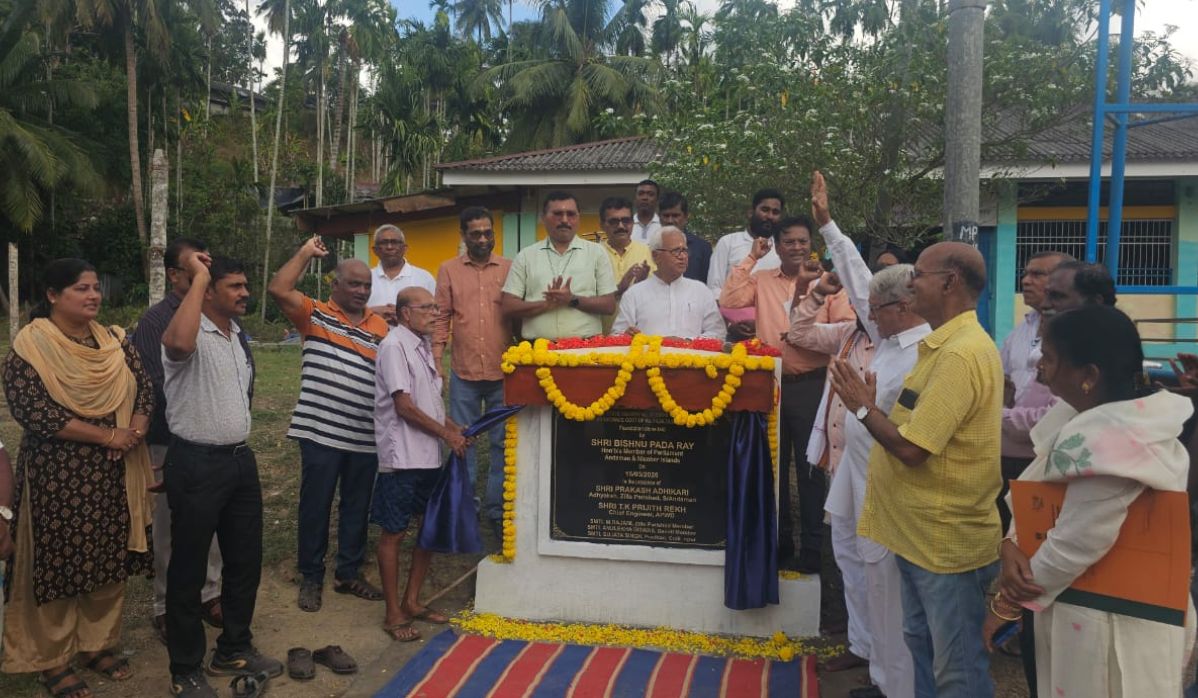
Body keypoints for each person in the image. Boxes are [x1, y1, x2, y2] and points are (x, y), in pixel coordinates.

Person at [985, 305, 1196, 697]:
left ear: (1088, 376)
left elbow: (1075, 543)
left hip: (1111, 620)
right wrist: (1011, 542)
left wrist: (1008, 601)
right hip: (1082, 604)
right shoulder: (1095, 417)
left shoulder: (1114, 442)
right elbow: (1036, 489)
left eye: (1048, 358)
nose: (1039, 369)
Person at [832, 241, 1004, 698]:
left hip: (944, 543)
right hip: (915, 534)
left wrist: (864, 410)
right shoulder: (939, 345)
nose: (911, 285)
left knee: (958, 670)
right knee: (922, 651)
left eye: (919, 276)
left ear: (949, 282)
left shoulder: (959, 354)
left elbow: (912, 450)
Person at [790, 171, 930, 698]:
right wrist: (827, 225)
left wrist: (864, 408)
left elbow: (855, 277)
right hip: (852, 465)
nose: (864, 312)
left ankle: (896, 680)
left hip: (889, 472)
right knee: (852, 560)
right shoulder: (883, 335)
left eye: (874, 307)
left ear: (901, 308)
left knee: (886, 580)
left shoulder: (922, 346)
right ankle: (872, 661)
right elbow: (853, 277)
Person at [1, 258, 153, 698]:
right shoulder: (31, 346)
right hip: (57, 476)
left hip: (114, 472)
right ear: (52, 295)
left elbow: (143, 390)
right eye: (80, 289)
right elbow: (35, 412)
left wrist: (131, 435)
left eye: (94, 288)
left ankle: (96, 644)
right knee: (55, 565)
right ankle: (50, 659)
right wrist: (108, 434)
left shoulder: (116, 342)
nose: (92, 296)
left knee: (108, 558)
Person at [162, 254, 282, 697]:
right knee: (189, 569)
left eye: (245, 285)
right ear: (208, 291)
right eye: (233, 286)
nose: (245, 292)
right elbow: (176, 345)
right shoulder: (188, 330)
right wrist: (198, 278)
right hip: (196, 462)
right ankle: (185, 669)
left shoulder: (235, 334)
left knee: (245, 559)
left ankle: (233, 646)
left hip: (238, 462)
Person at [721, 215, 855, 572]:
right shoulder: (763, 280)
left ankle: (812, 551)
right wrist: (752, 257)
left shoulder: (829, 283)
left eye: (802, 241)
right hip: (771, 385)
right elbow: (730, 298)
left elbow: (843, 330)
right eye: (789, 242)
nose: (797, 247)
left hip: (813, 384)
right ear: (777, 247)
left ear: (811, 244)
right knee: (774, 470)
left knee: (811, 471)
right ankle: (779, 544)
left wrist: (807, 332)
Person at [268, 236, 389, 612]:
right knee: (316, 505)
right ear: (334, 285)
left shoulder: (381, 327)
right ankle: (311, 576)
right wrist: (304, 252)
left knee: (357, 506)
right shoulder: (314, 314)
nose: (361, 290)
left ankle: (348, 573)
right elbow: (277, 288)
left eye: (366, 285)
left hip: (364, 435)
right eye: (353, 283)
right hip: (319, 431)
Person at [132, 238, 233, 644]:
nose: (206, 269)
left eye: (208, 261)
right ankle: (165, 604)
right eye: (196, 264)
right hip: (170, 441)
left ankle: (210, 593)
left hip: (213, 441)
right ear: (175, 274)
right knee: (169, 528)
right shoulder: (157, 320)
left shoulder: (217, 314)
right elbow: (157, 383)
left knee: (210, 521)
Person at [373, 287, 467, 643]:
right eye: (426, 307)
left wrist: (454, 428)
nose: (434, 312)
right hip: (403, 457)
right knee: (394, 533)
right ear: (404, 313)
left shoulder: (423, 346)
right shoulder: (394, 345)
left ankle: (412, 602)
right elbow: (405, 407)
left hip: (428, 456)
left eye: (435, 306)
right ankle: (393, 613)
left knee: (427, 529)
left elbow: (430, 404)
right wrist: (447, 435)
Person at [433, 207, 514, 541]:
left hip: (504, 373)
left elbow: (519, 315)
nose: (482, 239)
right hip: (464, 373)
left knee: (502, 446)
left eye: (487, 232)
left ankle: (496, 510)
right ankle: (465, 507)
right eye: (475, 233)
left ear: (494, 233)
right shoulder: (448, 270)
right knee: (462, 443)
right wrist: (437, 359)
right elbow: (441, 317)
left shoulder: (511, 268)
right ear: (464, 236)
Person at [999, 251, 1073, 532]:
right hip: (1010, 458)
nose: (1025, 280)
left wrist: (998, 418)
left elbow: (1058, 412)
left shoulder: (1075, 334)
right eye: (1026, 273)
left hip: (1049, 460)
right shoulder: (1020, 332)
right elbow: (1003, 382)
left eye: (1037, 274)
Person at [501, 191, 617, 340]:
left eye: (571, 214)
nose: (564, 220)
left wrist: (572, 300)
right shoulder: (526, 256)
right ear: (543, 218)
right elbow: (508, 306)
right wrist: (545, 305)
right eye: (557, 214)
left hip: (584, 350)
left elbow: (609, 305)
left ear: (578, 218)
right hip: (537, 351)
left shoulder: (596, 253)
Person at [613, 226, 723, 339]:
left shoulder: (701, 291)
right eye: (676, 251)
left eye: (685, 250)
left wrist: (688, 343)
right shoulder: (634, 294)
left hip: (692, 354)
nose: (683, 256)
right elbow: (617, 334)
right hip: (648, 354)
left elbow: (717, 332)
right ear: (656, 256)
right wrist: (627, 335)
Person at [599, 196, 654, 331]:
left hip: (640, 337)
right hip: (602, 339)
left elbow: (659, 296)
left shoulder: (649, 252)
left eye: (626, 221)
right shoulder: (593, 254)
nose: (621, 226)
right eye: (614, 222)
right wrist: (619, 289)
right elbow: (587, 298)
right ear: (602, 225)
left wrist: (640, 285)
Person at [366, 224, 436, 324]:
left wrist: (405, 315)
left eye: (394, 242)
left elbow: (436, 313)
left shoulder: (424, 278)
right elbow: (351, 313)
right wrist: (371, 313)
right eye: (384, 243)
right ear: (375, 250)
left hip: (415, 339)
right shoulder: (365, 278)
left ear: (404, 248)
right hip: (371, 338)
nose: (389, 247)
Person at [659, 191, 713, 284]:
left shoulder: (702, 248)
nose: (670, 220)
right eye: (666, 216)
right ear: (659, 217)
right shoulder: (651, 247)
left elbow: (708, 284)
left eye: (675, 215)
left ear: (686, 217)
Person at [631, 179, 662, 243]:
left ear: (657, 200)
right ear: (635, 199)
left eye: (650, 194)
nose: (645, 198)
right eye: (641, 194)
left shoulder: (663, 226)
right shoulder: (627, 225)